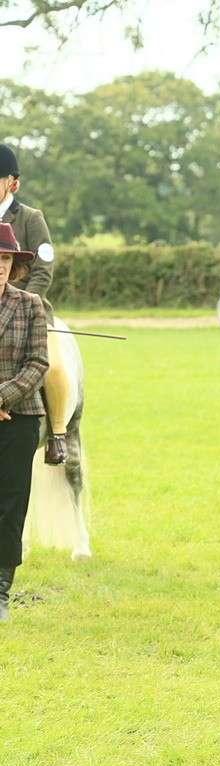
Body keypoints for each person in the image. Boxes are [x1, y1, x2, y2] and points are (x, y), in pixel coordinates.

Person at [1, 143, 67, 465]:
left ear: (12, 182)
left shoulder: (30, 218)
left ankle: (57, 433)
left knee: (52, 365)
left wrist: (26, 301)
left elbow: (43, 267)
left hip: (30, 310)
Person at [0, 221, 49, 622]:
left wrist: (1, 397)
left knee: (10, 504)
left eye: (5, 259)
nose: (0, 265)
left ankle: (0, 590)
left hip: (19, 417)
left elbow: (38, 363)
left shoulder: (29, 304)